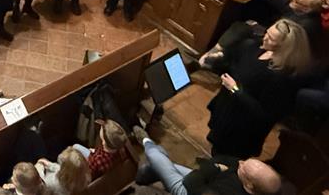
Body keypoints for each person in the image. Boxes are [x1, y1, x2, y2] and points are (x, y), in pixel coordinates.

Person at [202, 19, 312, 158]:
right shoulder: (257, 47)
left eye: (271, 38)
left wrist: (235, 90)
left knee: (225, 158)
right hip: (227, 111)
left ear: (284, 47)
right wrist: (218, 60)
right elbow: (236, 64)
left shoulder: (283, 77)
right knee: (216, 148)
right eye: (267, 33)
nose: (265, 37)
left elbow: (265, 114)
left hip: (242, 128)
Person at [133, 127, 282, 195]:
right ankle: (146, 174)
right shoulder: (261, 186)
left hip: (189, 190)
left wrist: (215, 168)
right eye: (245, 161)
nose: (240, 163)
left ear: (249, 185)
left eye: (244, 168)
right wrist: (215, 167)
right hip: (205, 182)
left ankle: (147, 142)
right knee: (165, 167)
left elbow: (190, 183)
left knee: (156, 158)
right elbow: (227, 161)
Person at [236, 0, 323, 44]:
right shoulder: (300, 9)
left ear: (306, 9)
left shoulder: (303, 26)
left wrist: (256, 27)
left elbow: (279, 39)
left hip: (279, 48)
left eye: (297, 0)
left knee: (243, 36)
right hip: (272, 37)